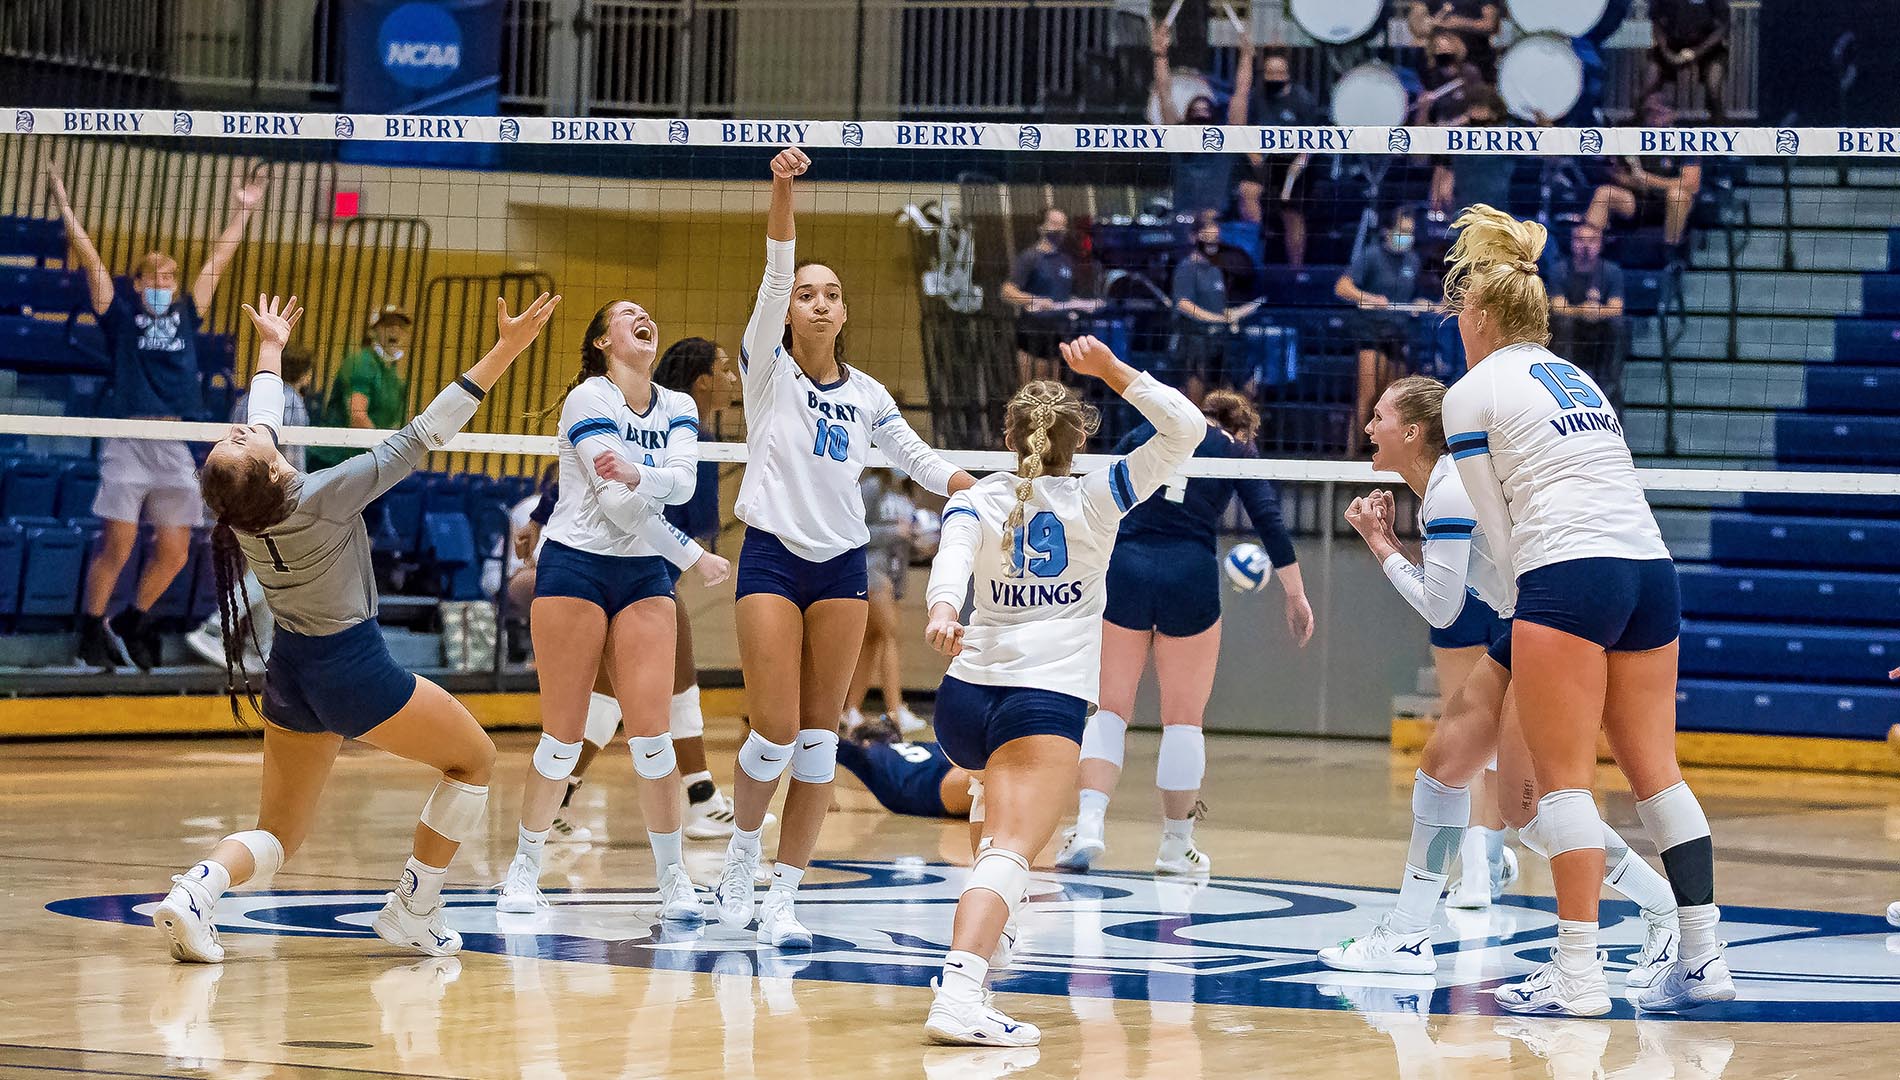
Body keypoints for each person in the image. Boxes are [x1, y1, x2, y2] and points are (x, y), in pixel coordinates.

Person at [151, 290, 559, 963]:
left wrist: (271, 350)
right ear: (269, 467)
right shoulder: (322, 495)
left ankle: (196, 890)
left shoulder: (247, 513)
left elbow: (263, 423)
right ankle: (415, 910)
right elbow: (425, 431)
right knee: (476, 760)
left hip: (291, 669)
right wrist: (507, 349)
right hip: (352, 667)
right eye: (238, 440)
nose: (238, 429)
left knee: (277, 837)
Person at [1440, 204, 1731, 1016]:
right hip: (1649, 571)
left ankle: (1577, 974)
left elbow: (1500, 534)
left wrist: (1513, 615)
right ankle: (1704, 955)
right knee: (1657, 775)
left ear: (1488, 316)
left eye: (1461, 310)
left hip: (1570, 576)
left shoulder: (1471, 392)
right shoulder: (1579, 378)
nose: (1457, 324)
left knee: (1566, 785)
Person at [1320, 377, 1682, 981]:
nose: (1367, 428)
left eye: (1378, 417)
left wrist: (1382, 546)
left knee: (1528, 810)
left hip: (1552, 628)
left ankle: (1664, 910)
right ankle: (1408, 936)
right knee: (1443, 771)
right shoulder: (1442, 484)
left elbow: (1442, 609)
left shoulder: (1449, 488)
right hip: (1532, 625)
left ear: (1411, 432)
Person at [713, 147, 976, 949]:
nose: (818, 303)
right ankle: (740, 856)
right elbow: (775, 264)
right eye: (806, 294)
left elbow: (919, 459)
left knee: (823, 737)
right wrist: (783, 190)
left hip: (840, 569)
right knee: (775, 732)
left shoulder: (866, 396)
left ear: (845, 312)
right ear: (787, 310)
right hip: (769, 558)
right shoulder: (766, 371)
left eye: (831, 295)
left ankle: (785, 894)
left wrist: (968, 483)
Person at [919, 334, 1202, 1046]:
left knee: (995, 807)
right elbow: (1188, 429)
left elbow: (951, 561)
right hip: (1038, 701)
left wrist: (943, 611)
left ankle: (991, 948)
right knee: (1012, 849)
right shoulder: (1098, 497)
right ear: (1078, 443)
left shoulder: (976, 498)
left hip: (962, 697)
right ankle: (958, 992)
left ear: (1006, 436)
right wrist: (1110, 369)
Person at [496, 302, 733, 918]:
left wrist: (638, 469)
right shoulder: (588, 400)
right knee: (561, 735)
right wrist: (690, 553)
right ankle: (523, 868)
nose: (643, 316)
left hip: (642, 572)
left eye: (648, 312)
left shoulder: (679, 406)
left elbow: (680, 485)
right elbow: (615, 501)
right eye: (626, 315)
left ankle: (674, 878)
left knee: (652, 738)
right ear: (604, 340)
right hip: (575, 565)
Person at [1054, 390, 1313, 876]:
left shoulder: (1148, 430)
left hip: (1125, 569)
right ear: (1241, 428)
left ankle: (1089, 826)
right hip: (1190, 574)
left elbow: (1100, 493)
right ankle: (1177, 845)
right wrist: (1295, 594)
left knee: (1109, 709)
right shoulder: (1237, 450)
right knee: (1183, 721)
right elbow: (1269, 520)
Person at [48, 165, 265, 671]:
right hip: (129, 439)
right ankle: (90, 630)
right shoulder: (121, 315)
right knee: (118, 545)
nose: (165, 283)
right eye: (156, 277)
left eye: (170, 276)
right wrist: (63, 205)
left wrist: (243, 211)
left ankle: (134, 619)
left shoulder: (189, 312)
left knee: (175, 550)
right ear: (140, 283)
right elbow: (90, 258)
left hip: (174, 445)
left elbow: (219, 259)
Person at [182, 344, 316, 672]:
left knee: (265, 571)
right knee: (274, 572)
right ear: (306, 374)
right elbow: (292, 459)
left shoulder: (245, 400)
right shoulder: (293, 401)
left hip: (235, 494)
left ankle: (262, 651)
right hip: (269, 498)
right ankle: (214, 628)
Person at [843, 469, 927, 736]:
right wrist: (895, 531)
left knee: (872, 640)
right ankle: (895, 710)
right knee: (891, 635)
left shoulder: (907, 488)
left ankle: (851, 710)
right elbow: (856, 530)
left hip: (893, 572)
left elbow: (904, 539)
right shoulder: (872, 485)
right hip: (871, 571)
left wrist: (919, 541)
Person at [1336, 208, 1425, 446]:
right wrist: (1370, 299)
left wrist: (1422, 304)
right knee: (1367, 396)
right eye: (1402, 231)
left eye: (1410, 232)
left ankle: (1385, 453)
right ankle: (1349, 456)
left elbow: (1413, 297)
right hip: (1371, 334)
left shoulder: (1413, 261)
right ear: (1388, 231)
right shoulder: (1371, 255)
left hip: (1398, 336)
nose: (1407, 237)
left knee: (1393, 402)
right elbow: (1342, 287)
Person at [1230, 36, 1320, 267]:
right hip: (1261, 162)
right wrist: (1256, 160)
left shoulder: (1303, 101)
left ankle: (1296, 273)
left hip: (1294, 168)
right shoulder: (1256, 97)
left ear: (1288, 74)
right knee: (1248, 192)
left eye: (1279, 74)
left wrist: (1290, 179)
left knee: (1292, 212)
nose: (1275, 78)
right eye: (1270, 74)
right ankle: (1253, 260)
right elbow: (1240, 129)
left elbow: (1309, 147)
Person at [1001, 208, 1102, 384]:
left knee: (1054, 391)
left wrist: (1085, 304)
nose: (1059, 230)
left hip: (1057, 336)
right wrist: (1035, 300)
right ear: (1041, 227)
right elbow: (1007, 291)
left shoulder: (1066, 261)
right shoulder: (1030, 257)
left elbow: (1065, 298)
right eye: (1054, 224)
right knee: (1032, 390)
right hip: (1032, 336)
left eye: (1062, 226)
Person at [1586, 97, 1702, 248]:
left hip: (1671, 204)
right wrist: (1622, 176)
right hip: (1640, 200)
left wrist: (1650, 180)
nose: (1655, 118)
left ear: (1672, 115)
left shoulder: (1685, 141)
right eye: (1650, 113)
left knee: (1677, 196)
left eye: (1660, 113)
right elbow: (1624, 177)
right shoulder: (1635, 138)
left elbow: (1692, 185)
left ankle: (1670, 254)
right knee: (1604, 193)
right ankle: (1588, 245)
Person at [308, 305, 413, 470]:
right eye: (388, 325)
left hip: (365, 459)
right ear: (373, 331)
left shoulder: (391, 371)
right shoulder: (363, 363)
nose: (395, 330)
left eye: (401, 326)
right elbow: (358, 416)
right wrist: (389, 451)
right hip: (336, 461)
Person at [1171, 211, 1262, 403]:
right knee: (1195, 397)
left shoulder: (1220, 268)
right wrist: (1216, 318)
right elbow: (1183, 304)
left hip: (1223, 341)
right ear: (1194, 237)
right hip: (1195, 341)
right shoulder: (1186, 268)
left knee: (1238, 392)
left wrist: (1236, 313)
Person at [1151, 23, 1233, 221]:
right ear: (1187, 115)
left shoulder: (1229, 138)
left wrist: (1247, 55)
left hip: (1217, 218)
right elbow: (1164, 95)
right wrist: (1160, 56)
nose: (1201, 113)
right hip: (1184, 216)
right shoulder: (1178, 136)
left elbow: (1240, 97)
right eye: (1196, 110)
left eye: (1205, 109)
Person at [836, 714, 975, 820]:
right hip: (954, 774)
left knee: (984, 788)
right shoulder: (920, 744)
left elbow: (834, 744)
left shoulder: (870, 756)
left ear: (865, 742)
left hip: (935, 786)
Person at [1547, 224, 1627, 406]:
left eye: (1591, 241)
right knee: (1562, 321)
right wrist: (1583, 310)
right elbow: (1558, 306)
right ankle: (1563, 379)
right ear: (1572, 243)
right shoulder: (1559, 270)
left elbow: (1617, 308)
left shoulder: (1611, 271)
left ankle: (1608, 382)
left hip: (1600, 335)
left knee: (1617, 324)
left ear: (1600, 244)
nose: (1585, 246)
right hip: (1572, 334)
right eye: (1580, 240)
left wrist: (1596, 312)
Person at [1641, 0, 1731, 124]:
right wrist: (1667, 52)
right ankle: (1635, 126)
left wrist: (1696, 52)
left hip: (1708, 49)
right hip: (1671, 47)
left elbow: (1722, 27)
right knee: (1648, 83)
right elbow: (1656, 23)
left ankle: (1719, 125)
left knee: (1714, 86)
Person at [1407, 0, 1500, 80]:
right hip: (1439, 64)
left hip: (1477, 61)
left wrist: (1461, 23)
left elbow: (1491, 25)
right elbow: (1417, 26)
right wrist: (1424, 22)